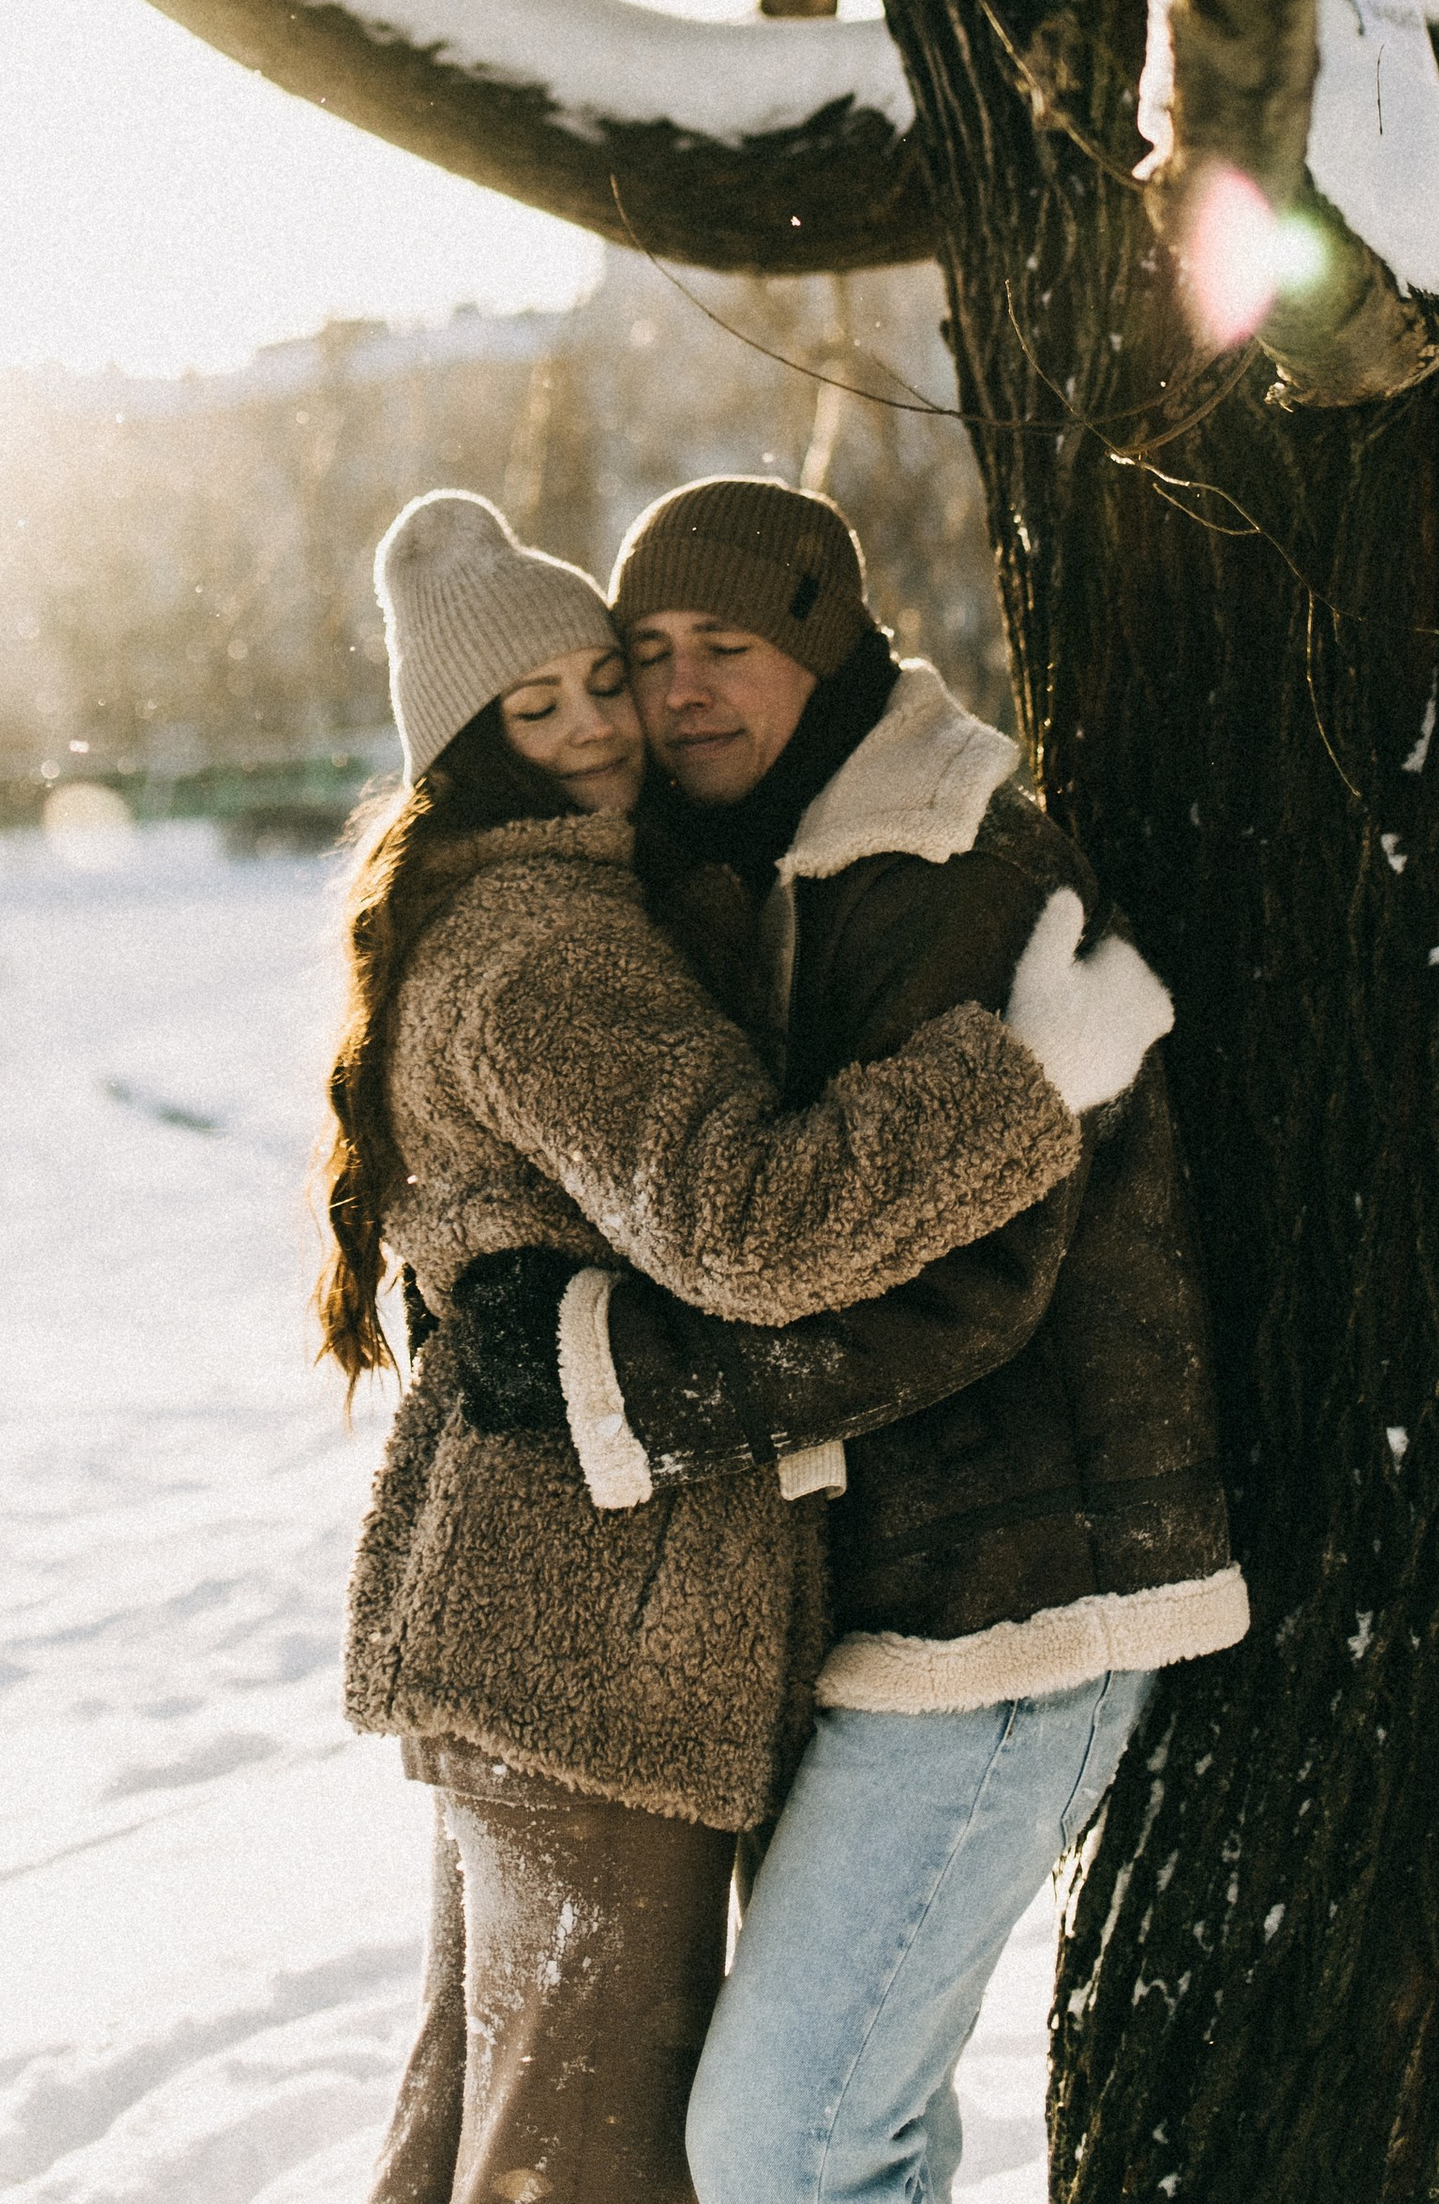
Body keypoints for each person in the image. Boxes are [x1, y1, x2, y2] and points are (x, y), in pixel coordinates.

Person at [322, 489, 1175, 2204]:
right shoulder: (552, 941)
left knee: (495, 2109)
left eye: (610, 677)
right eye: (551, 700)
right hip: (595, 1631)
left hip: (543, 1614)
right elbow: (749, 1224)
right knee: (592, 2141)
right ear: (465, 748)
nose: (612, 720)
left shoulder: (569, 904)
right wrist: (1022, 1087)